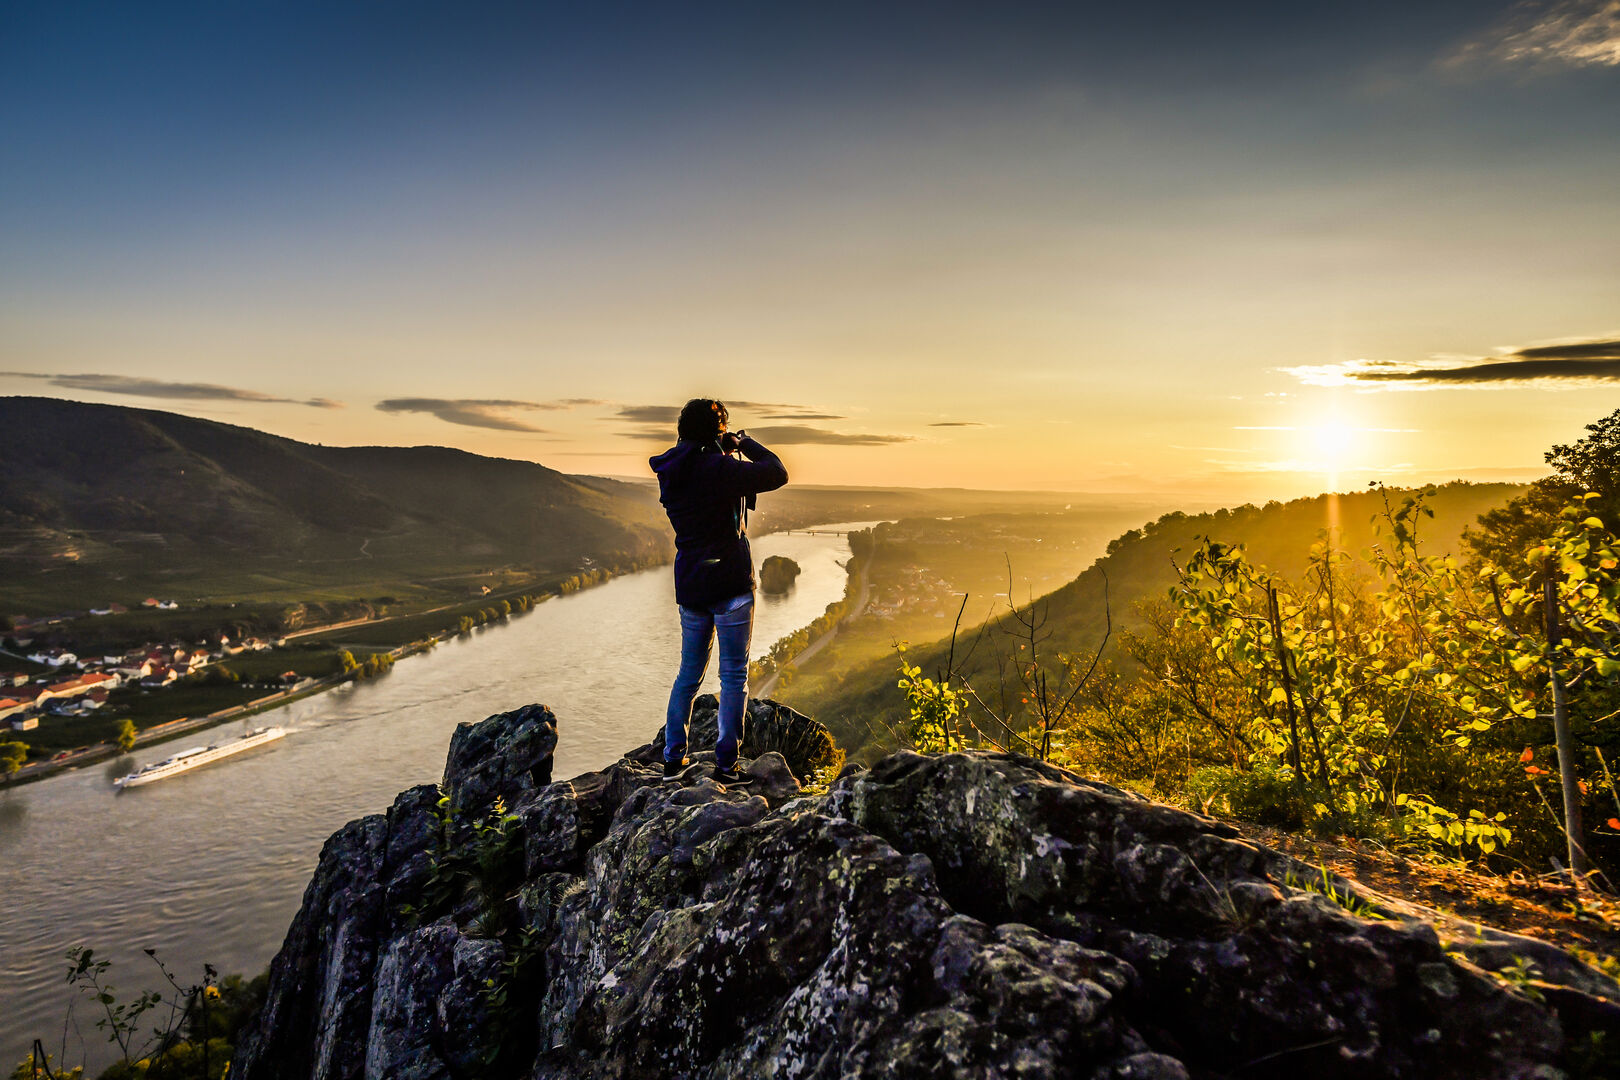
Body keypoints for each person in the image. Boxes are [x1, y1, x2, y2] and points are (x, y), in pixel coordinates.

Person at [650, 399, 788, 783]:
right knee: (733, 675)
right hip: (730, 581)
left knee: (688, 673)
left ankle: (672, 761)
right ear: (718, 430)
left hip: (692, 581)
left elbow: (697, 471)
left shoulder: (670, 470)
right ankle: (727, 765)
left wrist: (718, 446)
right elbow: (777, 472)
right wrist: (743, 443)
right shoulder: (723, 469)